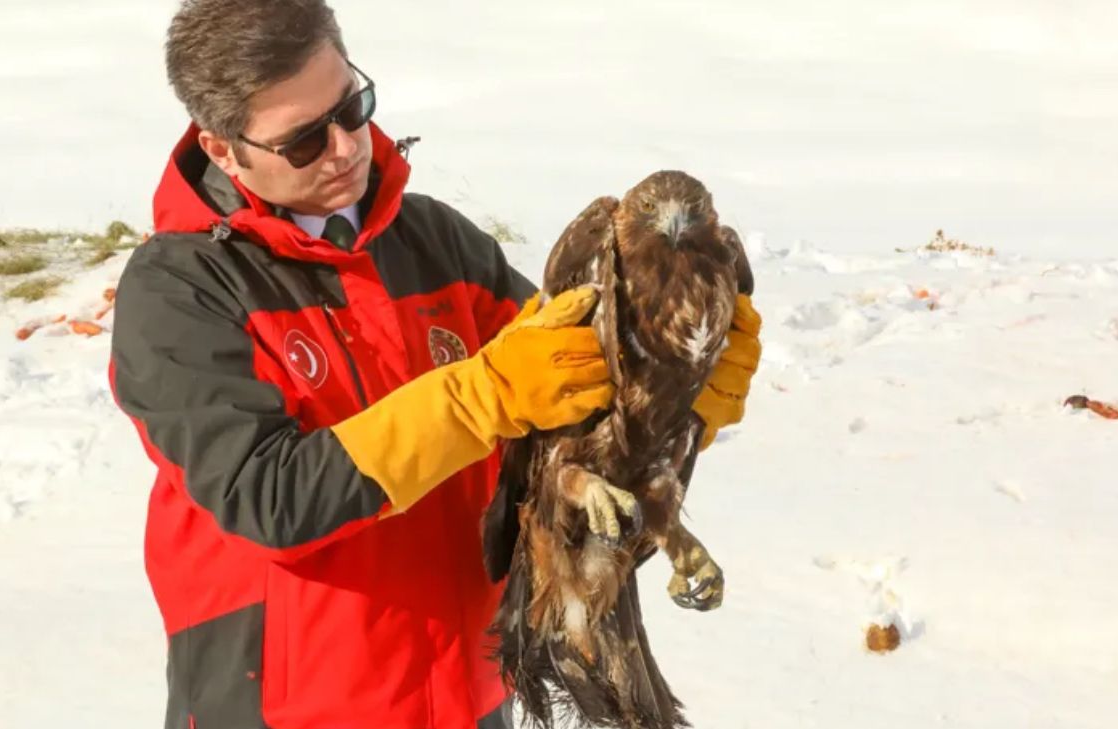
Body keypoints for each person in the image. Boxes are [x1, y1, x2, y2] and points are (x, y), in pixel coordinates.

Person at [109, 1, 762, 727]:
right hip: (291, 708)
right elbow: (269, 496)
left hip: (470, 695)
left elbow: (572, 422)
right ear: (223, 148)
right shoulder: (180, 291)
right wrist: (477, 398)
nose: (345, 147)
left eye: (352, 107)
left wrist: (673, 392)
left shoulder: (435, 240)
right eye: (301, 142)